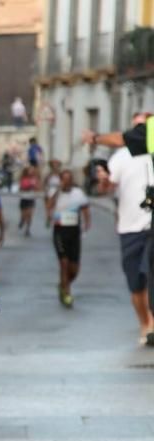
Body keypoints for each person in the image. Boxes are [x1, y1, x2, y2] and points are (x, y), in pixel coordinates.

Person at [96, 114, 154, 344]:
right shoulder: (122, 156)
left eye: (146, 122)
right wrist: (103, 180)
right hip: (129, 226)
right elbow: (108, 186)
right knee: (136, 283)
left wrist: (95, 139)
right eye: (138, 123)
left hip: (151, 226)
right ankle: (144, 324)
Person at [48, 169, 91, 308]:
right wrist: (57, 192)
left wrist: (87, 223)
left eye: (69, 179)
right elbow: (49, 206)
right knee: (64, 263)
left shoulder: (78, 193)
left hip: (74, 231)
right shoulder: (55, 192)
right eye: (64, 179)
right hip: (60, 231)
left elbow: (85, 209)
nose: (67, 181)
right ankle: (67, 293)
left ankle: (63, 284)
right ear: (60, 180)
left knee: (74, 269)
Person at [17, 165, 39, 236]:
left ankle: (27, 229)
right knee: (24, 215)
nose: (31, 172)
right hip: (24, 198)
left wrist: (35, 187)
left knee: (30, 215)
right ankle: (22, 220)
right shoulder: (23, 178)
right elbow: (21, 188)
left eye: (32, 171)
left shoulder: (34, 179)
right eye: (29, 170)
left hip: (31, 199)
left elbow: (37, 188)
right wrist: (28, 186)